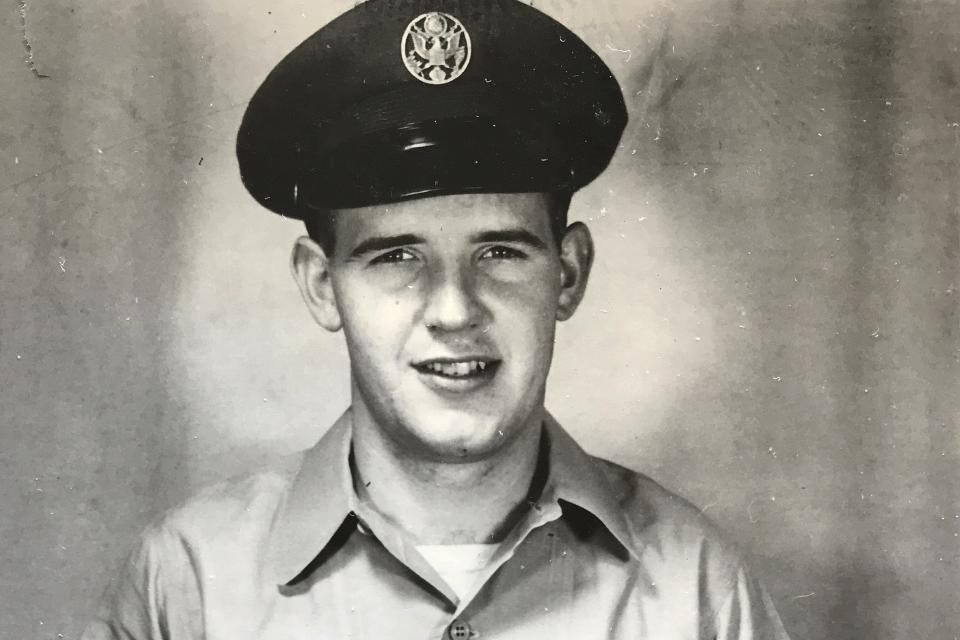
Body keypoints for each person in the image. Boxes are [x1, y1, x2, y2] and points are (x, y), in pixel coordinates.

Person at [83, 1, 791, 638]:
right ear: (322, 285)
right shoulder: (187, 589)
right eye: (396, 257)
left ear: (568, 273)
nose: (454, 310)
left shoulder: (699, 592)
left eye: (500, 252)